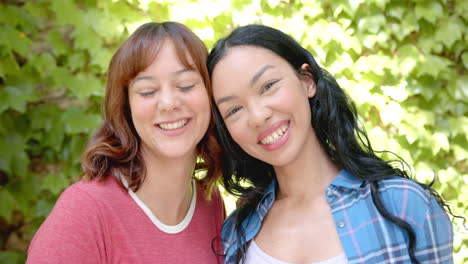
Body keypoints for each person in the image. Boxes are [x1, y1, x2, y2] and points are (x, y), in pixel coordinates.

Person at [207, 25, 454, 264]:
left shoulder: (402, 204)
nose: (258, 116)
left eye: (268, 86)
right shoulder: (234, 235)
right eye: (234, 109)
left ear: (307, 81)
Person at [27, 22, 224, 263]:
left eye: (185, 85)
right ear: (127, 108)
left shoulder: (210, 204)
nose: (168, 103)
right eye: (148, 91)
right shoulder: (84, 210)